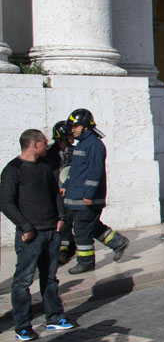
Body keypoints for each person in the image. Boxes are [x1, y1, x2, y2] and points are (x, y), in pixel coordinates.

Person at [0, 129, 76, 340]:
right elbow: (6, 203)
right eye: (44, 142)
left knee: (50, 278)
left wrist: (60, 218)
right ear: (33, 144)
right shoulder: (12, 170)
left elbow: (55, 193)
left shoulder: (45, 167)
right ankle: (23, 325)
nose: (47, 144)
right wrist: (25, 227)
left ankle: (54, 317)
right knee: (23, 281)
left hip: (51, 231)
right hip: (30, 236)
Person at [62, 109, 130, 275]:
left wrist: (89, 194)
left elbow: (95, 172)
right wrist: (67, 185)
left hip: (87, 199)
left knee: (82, 230)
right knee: (90, 227)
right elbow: (76, 171)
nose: (73, 129)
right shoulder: (82, 144)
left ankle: (85, 262)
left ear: (86, 126)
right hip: (77, 196)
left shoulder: (94, 145)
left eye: (76, 125)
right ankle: (117, 242)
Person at [41, 121, 76, 265]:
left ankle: (64, 250)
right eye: (69, 136)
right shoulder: (49, 154)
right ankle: (59, 249)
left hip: (69, 193)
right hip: (54, 192)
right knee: (59, 221)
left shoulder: (75, 151)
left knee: (67, 221)